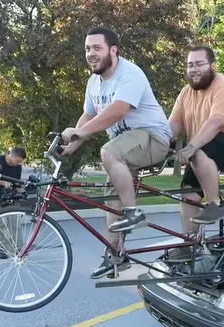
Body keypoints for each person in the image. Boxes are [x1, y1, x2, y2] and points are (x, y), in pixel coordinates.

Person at [59, 26, 172, 278]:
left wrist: (80, 133)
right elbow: (89, 115)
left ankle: (134, 213)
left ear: (113, 50)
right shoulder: (93, 82)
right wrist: (72, 145)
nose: (91, 53)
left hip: (152, 137)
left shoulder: (129, 73)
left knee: (109, 152)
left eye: (97, 48)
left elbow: (118, 110)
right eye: (87, 48)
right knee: (112, 200)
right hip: (125, 146)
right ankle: (114, 257)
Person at [168, 46, 224, 250]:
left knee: (199, 151)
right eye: (190, 65)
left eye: (199, 64)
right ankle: (190, 245)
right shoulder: (186, 93)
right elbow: (173, 124)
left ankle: (213, 204)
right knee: (188, 194)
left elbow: (215, 122)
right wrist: (154, 143)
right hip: (203, 147)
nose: (194, 69)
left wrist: (191, 147)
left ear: (212, 66)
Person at [0, 146, 27, 258]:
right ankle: (3, 248)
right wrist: (3, 183)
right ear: (12, 156)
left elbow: (16, 183)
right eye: (18, 161)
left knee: (14, 222)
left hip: (8, 196)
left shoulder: (17, 167)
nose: (18, 164)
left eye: (20, 162)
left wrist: (21, 192)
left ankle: (18, 248)